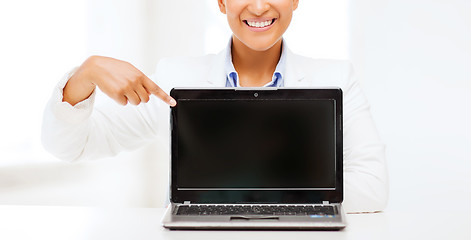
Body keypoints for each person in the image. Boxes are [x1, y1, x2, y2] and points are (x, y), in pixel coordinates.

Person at [41, 0, 388, 213]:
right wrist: (84, 76)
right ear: (221, 2)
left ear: (295, 0)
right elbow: (71, 147)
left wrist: (246, 198)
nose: (258, 6)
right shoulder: (174, 78)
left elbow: (372, 188)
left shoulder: (337, 77)